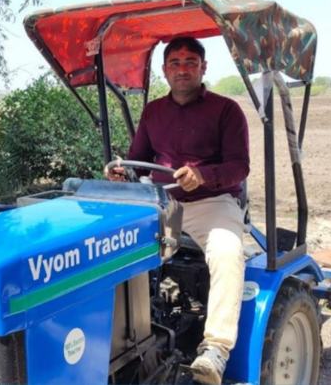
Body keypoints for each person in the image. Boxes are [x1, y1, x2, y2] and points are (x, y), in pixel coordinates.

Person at [105, 37, 250, 385]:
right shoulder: (154, 111)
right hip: (160, 201)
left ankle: (215, 349)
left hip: (211, 202)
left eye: (190, 62)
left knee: (229, 252)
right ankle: (114, 336)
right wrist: (121, 171)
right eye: (175, 62)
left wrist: (203, 175)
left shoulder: (227, 110)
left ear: (203, 68)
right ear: (165, 70)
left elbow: (239, 167)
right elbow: (137, 157)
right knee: (105, 243)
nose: (182, 69)